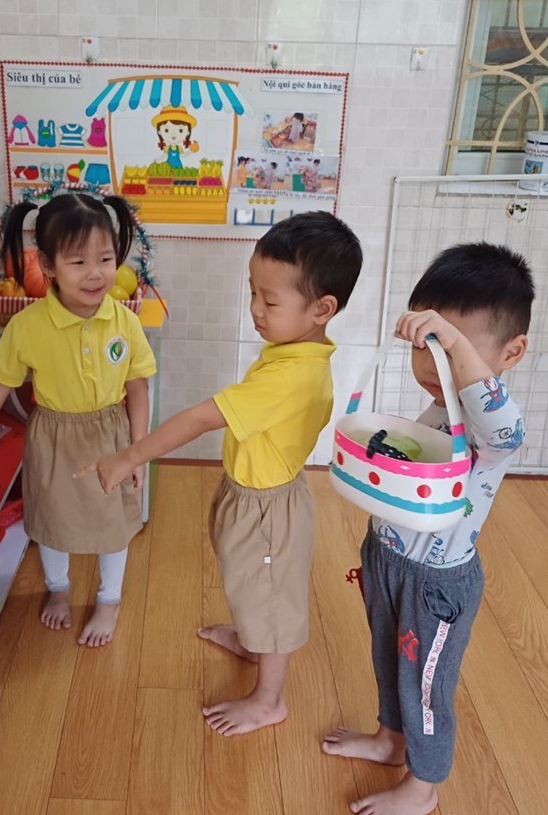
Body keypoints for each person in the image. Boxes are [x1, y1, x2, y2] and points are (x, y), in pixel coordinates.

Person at [77, 211, 363, 735]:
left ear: (322, 309)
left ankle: (269, 699)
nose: (254, 309)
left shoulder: (292, 375)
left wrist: (128, 457)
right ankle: (251, 640)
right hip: (251, 494)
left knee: (270, 600)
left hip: (268, 510)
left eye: (269, 301)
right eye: (253, 292)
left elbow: (199, 418)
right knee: (248, 581)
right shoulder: (293, 351)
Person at [322, 242, 533, 815]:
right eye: (428, 347)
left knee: (426, 685)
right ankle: (391, 740)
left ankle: (423, 786)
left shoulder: (491, 424)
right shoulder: (443, 405)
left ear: (511, 352)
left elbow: (508, 433)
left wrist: (455, 346)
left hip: (437, 584)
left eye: (452, 348)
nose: (435, 362)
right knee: (390, 661)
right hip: (388, 560)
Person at [0, 193, 156, 648]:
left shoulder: (125, 321)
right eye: (78, 262)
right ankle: (58, 588)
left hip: (111, 435)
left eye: (105, 259)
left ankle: (109, 599)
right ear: (47, 265)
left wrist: (138, 451)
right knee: (52, 523)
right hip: (53, 439)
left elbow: (138, 387)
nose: (95, 273)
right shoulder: (27, 325)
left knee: (113, 525)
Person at [153, 104, 199, 170]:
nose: (173, 134)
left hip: (178, 167)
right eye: (166, 130)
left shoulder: (179, 148)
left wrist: (190, 151)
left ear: (188, 132)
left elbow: (182, 155)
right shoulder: (167, 148)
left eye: (180, 130)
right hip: (168, 167)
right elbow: (164, 156)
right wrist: (157, 160)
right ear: (159, 132)